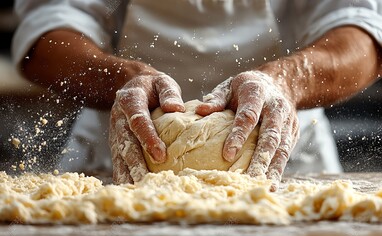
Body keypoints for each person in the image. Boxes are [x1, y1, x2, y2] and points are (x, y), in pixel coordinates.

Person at [12, 0, 382, 190]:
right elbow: (46, 30)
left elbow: (360, 32)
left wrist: (286, 81)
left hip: (280, 157)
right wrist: (121, 80)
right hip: (120, 154)